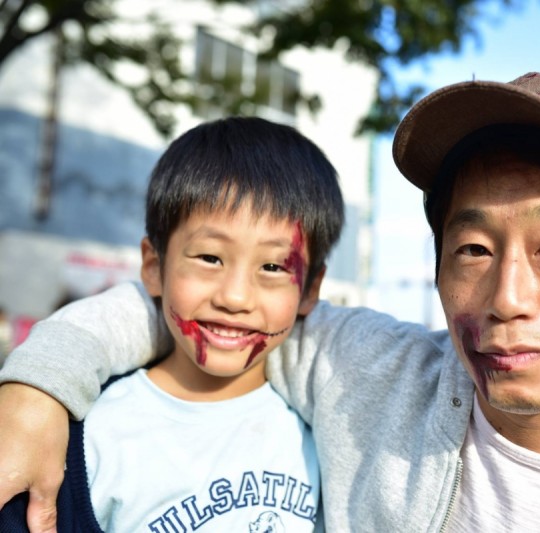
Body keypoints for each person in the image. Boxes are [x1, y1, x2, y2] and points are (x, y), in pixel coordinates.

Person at [2, 72, 540, 532]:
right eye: (472, 250)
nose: (507, 296)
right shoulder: (371, 377)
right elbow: (207, 309)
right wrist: (36, 389)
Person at [0, 116, 344, 532]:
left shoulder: (325, 441)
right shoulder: (87, 438)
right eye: (209, 258)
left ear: (310, 290)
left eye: (273, 266)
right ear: (153, 267)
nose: (234, 298)